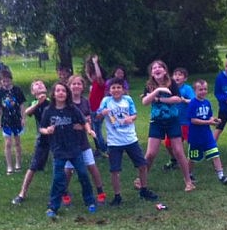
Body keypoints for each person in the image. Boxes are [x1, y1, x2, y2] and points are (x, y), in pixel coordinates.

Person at [96, 77, 157, 206]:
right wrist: (103, 113)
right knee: (115, 170)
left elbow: (134, 114)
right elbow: (98, 115)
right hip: (114, 142)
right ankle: (117, 196)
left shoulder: (128, 99)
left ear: (123, 89)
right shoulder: (106, 101)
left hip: (130, 139)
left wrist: (131, 118)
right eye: (113, 88)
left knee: (142, 165)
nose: (116, 90)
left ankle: (144, 189)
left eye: (119, 87)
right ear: (109, 90)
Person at [40, 82, 97, 218]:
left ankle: (90, 201)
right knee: (58, 178)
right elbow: (41, 128)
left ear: (67, 94)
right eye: (58, 91)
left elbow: (84, 122)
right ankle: (53, 206)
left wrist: (89, 131)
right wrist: (47, 130)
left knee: (83, 174)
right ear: (53, 94)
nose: (61, 93)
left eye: (63, 91)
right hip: (58, 150)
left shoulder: (72, 109)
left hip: (74, 149)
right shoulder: (49, 110)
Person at [142, 60, 195, 192]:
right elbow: (145, 101)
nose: (157, 69)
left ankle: (188, 181)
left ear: (165, 71)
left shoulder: (172, 83)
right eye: (154, 68)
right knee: (150, 154)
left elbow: (177, 99)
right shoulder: (149, 85)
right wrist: (158, 90)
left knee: (178, 151)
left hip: (172, 120)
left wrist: (159, 99)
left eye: (160, 67)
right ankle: (141, 180)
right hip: (156, 121)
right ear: (151, 73)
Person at [62, 75, 107, 206]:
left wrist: (83, 124)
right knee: (68, 170)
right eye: (73, 84)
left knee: (92, 167)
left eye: (79, 84)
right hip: (69, 143)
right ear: (69, 86)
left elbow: (88, 119)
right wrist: (78, 124)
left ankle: (100, 192)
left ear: (83, 87)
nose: (76, 86)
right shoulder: (65, 103)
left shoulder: (85, 101)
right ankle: (64, 193)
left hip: (83, 141)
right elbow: (64, 122)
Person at [11, 80, 51, 204]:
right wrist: (39, 103)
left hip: (56, 137)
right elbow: (27, 112)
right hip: (42, 138)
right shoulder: (35, 103)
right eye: (35, 85)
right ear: (33, 92)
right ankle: (22, 193)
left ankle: (63, 191)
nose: (39, 84)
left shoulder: (52, 101)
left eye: (41, 83)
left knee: (61, 165)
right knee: (33, 166)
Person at [187, 79, 227, 185]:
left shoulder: (207, 102)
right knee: (193, 157)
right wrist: (209, 122)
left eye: (205, 89)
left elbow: (209, 116)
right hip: (195, 137)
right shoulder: (193, 103)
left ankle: (221, 176)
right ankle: (188, 174)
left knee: (215, 153)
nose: (203, 91)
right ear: (195, 91)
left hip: (207, 135)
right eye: (200, 89)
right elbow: (193, 120)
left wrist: (215, 120)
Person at [0, 69, 26, 175]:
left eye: (7, 81)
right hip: (6, 120)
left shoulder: (17, 90)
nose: (6, 83)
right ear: (0, 82)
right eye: (3, 81)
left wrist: (23, 118)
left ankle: (18, 164)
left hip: (16, 119)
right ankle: (9, 166)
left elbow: (21, 105)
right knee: (7, 143)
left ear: (11, 80)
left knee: (17, 142)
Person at [162, 67, 194, 171]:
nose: (177, 76)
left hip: (185, 121)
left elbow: (194, 101)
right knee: (167, 144)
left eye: (180, 75)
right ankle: (174, 160)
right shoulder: (169, 87)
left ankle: (190, 162)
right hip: (171, 121)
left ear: (185, 78)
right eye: (175, 74)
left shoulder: (187, 89)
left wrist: (185, 100)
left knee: (190, 143)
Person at [85, 55, 108, 157]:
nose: (92, 76)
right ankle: (99, 149)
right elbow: (88, 75)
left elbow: (98, 76)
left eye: (93, 74)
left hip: (98, 111)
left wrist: (95, 63)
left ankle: (104, 148)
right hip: (92, 110)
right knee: (94, 130)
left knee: (97, 131)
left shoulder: (101, 83)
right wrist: (88, 64)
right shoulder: (94, 83)